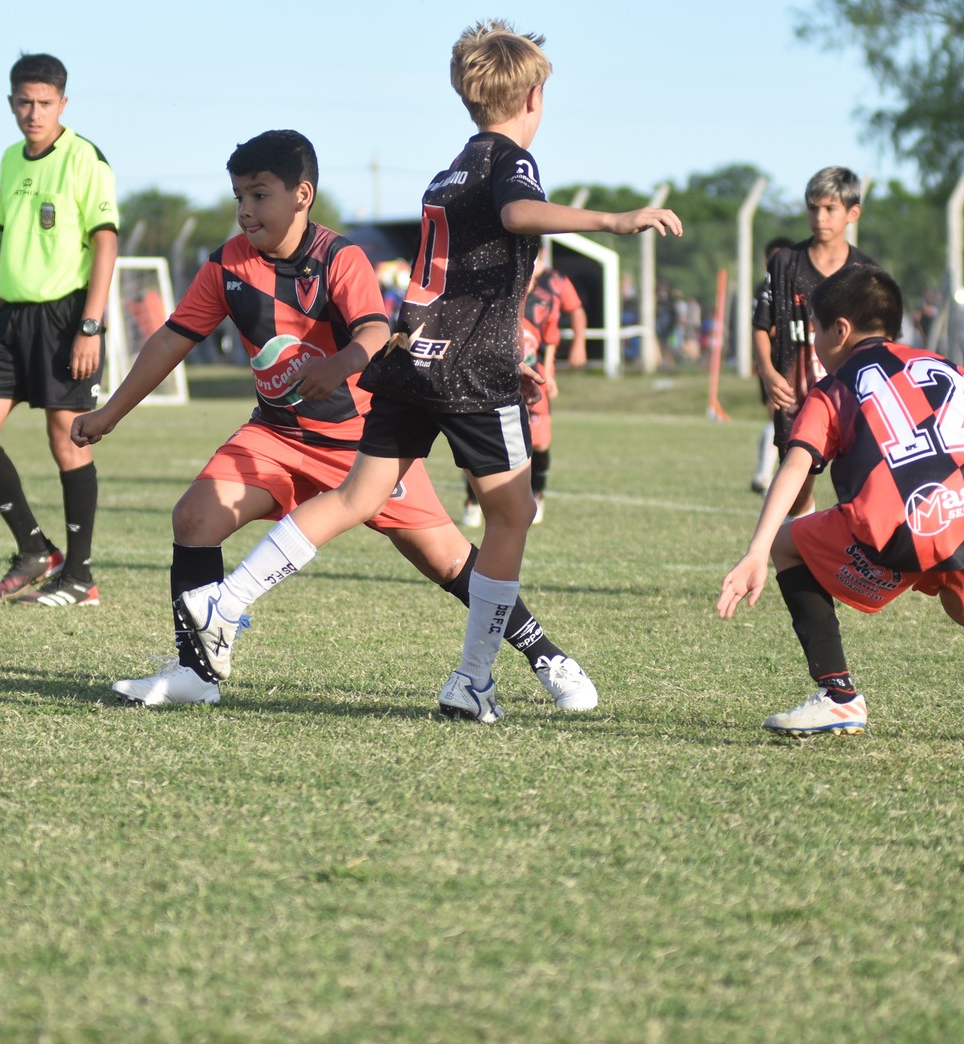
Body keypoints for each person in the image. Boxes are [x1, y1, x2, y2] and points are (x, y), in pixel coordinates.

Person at [164, 21, 680, 723]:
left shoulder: (452, 168)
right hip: (470, 372)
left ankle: (227, 602)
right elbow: (519, 212)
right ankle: (471, 679)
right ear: (531, 96)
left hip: (411, 356)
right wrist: (613, 221)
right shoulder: (509, 162)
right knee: (511, 513)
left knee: (356, 497)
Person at [71, 130, 598, 710]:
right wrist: (110, 413)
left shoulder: (338, 257)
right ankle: (197, 673)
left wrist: (341, 364)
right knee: (194, 518)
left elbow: (375, 330)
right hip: (276, 434)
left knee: (448, 561)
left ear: (302, 195)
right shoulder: (226, 265)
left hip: (363, 443)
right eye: (238, 196)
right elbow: (173, 339)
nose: (245, 209)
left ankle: (545, 653)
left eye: (259, 195)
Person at [717, 265, 964, 748]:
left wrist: (756, 551)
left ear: (839, 330)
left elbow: (797, 465)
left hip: (903, 523)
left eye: (816, 330)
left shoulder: (835, 386)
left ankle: (837, 695)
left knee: (784, 544)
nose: (814, 342)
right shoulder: (950, 368)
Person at [0, 52, 119, 607]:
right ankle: (33, 551)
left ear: (63, 104)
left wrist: (90, 327)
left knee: (67, 440)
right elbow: (10, 246)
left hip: (66, 315)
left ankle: (80, 575)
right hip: (10, 318)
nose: (33, 112)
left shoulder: (84, 158)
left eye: (44, 102)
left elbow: (106, 243)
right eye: (24, 101)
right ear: (11, 103)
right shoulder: (9, 161)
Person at [752, 168, 875, 518]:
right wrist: (768, 372)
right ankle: (801, 560)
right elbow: (761, 325)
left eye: (830, 209)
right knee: (795, 489)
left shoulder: (866, 273)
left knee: (862, 490)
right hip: (797, 396)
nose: (819, 217)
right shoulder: (785, 263)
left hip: (851, 398)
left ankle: (854, 565)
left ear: (853, 213)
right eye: (813, 208)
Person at [459, 257, 575, 526]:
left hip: (531, 378)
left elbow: (550, 341)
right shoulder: (494, 296)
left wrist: (551, 376)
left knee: (540, 441)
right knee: (480, 441)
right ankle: (472, 500)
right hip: (492, 378)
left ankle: (537, 494)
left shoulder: (545, 302)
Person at [749, 236, 794, 493]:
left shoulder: (798, 286)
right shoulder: (764, 290)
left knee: (784, 419)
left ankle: (766, 475)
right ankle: (763, 476)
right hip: (772, 360)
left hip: (795, 360)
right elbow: (763, 327)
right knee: (776, 416)